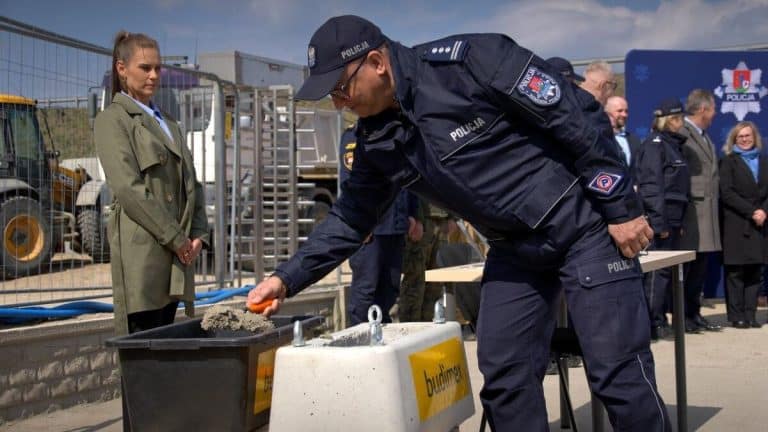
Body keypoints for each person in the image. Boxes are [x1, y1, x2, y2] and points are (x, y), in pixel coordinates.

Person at [248, 15, 669, 431]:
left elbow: (575, 117)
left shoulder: (470, 63)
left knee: (618, 373)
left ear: (377, 62)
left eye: (341, 88)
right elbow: (349, 217)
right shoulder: (376, 141)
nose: (339, 103)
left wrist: (620, 206)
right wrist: (285, 279)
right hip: (514, 248)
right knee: (505, 377)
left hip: (584, 228)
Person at [95, 31, 209, 336]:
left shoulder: (169, 123)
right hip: (144, 259)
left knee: (164, 350)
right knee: (142, 354)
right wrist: (177, 239)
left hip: (175, 257)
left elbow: (191, 183)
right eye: (145, 68)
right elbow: (129, 190)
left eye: (158, 68)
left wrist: (198, 233)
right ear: (122, 68)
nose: (154, 75)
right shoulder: (113, 120)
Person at [339, 124, 416, 324]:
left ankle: (382, 335)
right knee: (365, 291)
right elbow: (350, 182)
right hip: (371, 228)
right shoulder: (355, 137)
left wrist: (412, 214)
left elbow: (409, 178)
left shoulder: (399, 133)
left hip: (396, 225)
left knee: (390, 288)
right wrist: (359, 223)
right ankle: (360, 340)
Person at [634, 98, 690, 339]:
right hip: (662, 221)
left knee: (666, 273)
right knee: (657, 274)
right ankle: (652, 323)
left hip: (674, 219)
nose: (682, 123)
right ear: (671, 120)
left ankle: (659, 319)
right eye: (679, 119)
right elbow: (651, 187)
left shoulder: (673, 145)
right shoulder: (654, 146)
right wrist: (659, 223)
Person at [679, 89, 722, 333]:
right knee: (689, 267)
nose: (715, 113)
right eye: (713, 108)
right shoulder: (683, 134)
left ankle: (694, 313)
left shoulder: (703, 136)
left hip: (708, 209)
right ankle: (684, 315)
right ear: (703, 109)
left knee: (701, 266)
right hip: (693, 210)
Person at [719, 121, 768, 328]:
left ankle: (750, 314)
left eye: (748, 136)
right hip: (737, 223)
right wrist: (752, 211)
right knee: (736, 271)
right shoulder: (729, 162)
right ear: (734, 140)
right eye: (741, 136)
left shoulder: (764, 162)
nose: (745, 139)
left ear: (754, 137)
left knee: (755, 271)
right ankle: (737, 316)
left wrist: (764, 211)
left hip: (761, 223)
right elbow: (727, 193)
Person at [605, 95, 641, 169]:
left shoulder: (634, 140)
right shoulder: (600, 138)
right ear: (607, 113)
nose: (624, 115)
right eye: (619, 111)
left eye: (626, 111)